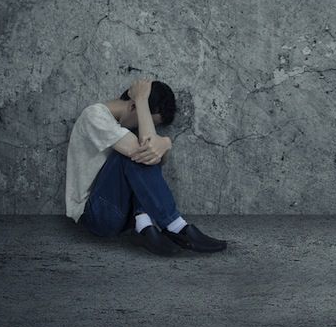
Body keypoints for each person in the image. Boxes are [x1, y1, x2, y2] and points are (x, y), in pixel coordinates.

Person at [65, 78, 227, 256]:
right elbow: (145, 149)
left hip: (123, 215)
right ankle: (176, 226)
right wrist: (143, 102)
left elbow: (155, 156)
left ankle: (144, 226)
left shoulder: (121, 129)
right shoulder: (94, 115)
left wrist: (165, 143)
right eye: (143, 120)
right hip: (96, 215)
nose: (144, 127)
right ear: (133, 106)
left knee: (143, 151)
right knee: (137, 152)